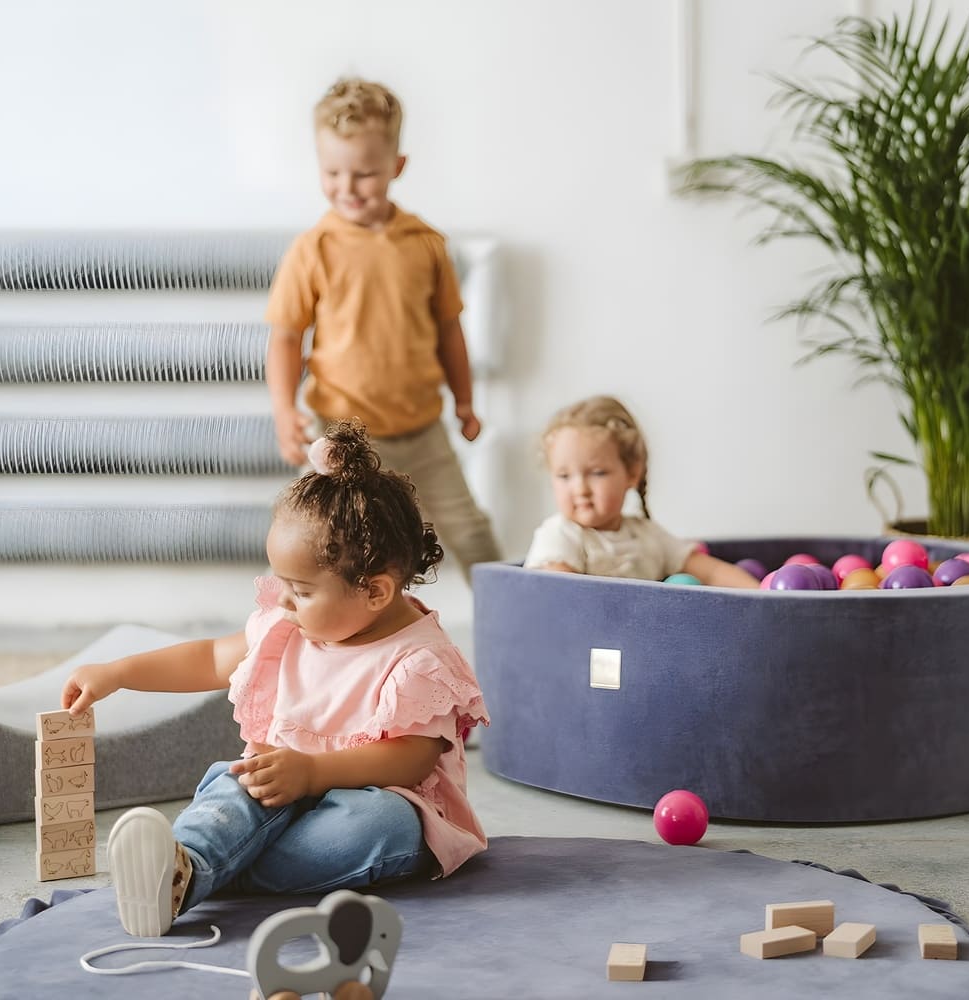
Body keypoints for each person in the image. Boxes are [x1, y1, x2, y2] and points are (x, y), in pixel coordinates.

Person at [61, 420, 490, 938]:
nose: (282, 600)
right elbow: (210, 658)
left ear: (375, 591)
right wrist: (120, 672)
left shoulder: (419, 660)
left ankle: (199, 875)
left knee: (378, 827)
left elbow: (411, 757)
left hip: (380, 801)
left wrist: (312, 773)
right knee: (235, 782)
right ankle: (186, 863)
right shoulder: (287, 626)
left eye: (301, 590)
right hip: (285, 788)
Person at [265, 76, 501, 578]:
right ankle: (327, 641)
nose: (346, 188)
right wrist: (285, 410)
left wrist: (464, 402)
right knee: (333, 546)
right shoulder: (314, 249)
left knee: (473, 534)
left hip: (423, 432)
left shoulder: (425, 244)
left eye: (365, 174)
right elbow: (286, 337)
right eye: (332, 172)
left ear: (396, 167)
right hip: (345, 436)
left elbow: (449, 331)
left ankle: (518, 639)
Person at [524, 396, 760, 587]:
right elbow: (557, 596)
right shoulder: (560, 535)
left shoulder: (648, 536)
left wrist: (761, 596)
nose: (580, 489)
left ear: (631, 474)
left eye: (597, 473)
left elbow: (712, 573)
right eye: (564, 476)